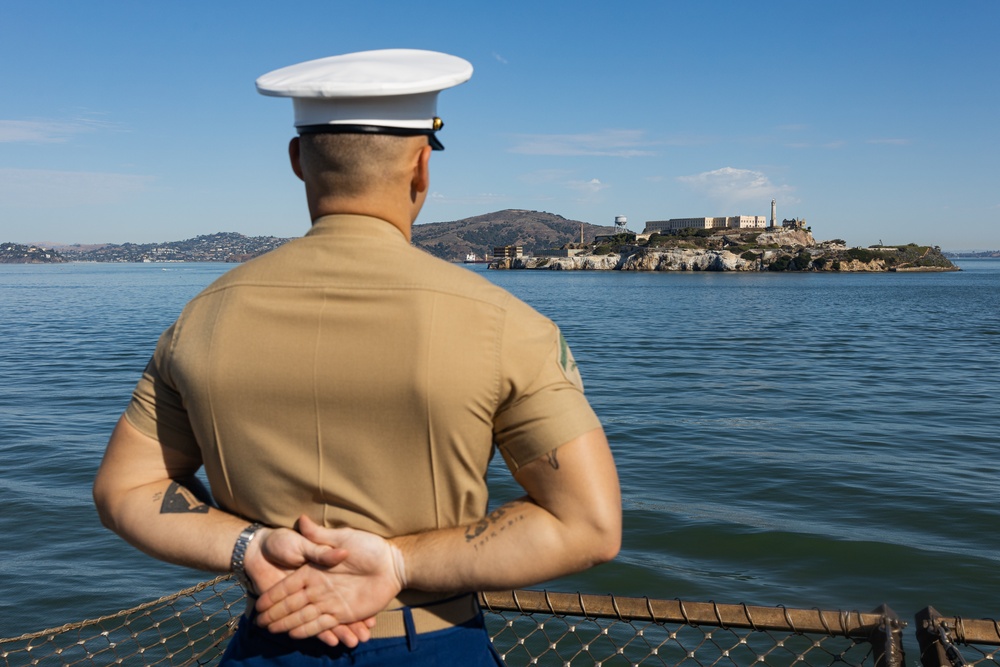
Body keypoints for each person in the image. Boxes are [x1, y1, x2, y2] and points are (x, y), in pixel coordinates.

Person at [93, 48, 621, 666]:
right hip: (434, 643)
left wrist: (252, 548)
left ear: (297, 161)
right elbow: (587, 525)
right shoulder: (506, 323)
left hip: (269, 641)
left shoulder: (204, 315)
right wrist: (398, 561)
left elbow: (124, 489)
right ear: (422, 167)